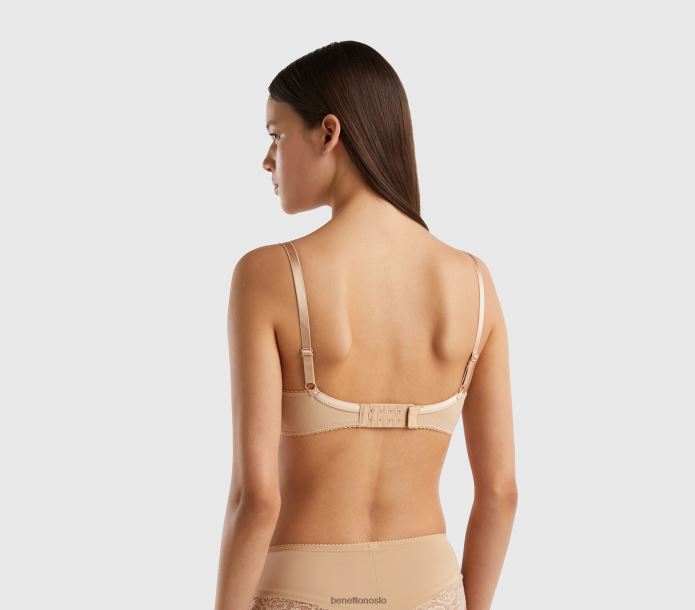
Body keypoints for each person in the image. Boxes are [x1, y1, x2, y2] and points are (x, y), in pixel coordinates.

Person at [214, 41, 517, 610]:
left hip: (301, 590)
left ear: (329, 133)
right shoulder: (475, 284)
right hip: (432, 589)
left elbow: (255, 499)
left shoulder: (268, 276)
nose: (267, 160)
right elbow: (500, 492)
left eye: (277, 135)